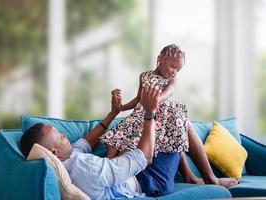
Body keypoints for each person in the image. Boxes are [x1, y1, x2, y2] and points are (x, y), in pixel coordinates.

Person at [21, 83, 163, 199]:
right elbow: (144, 158)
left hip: (132, 172)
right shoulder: (84, 168)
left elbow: (85, 142)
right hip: (146, 180)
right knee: (169, 128)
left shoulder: (67, 161)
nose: (64, 135)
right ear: (54, 152)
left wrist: (114, 113)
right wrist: (150, 112)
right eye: (60, 136)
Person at [100, 44, 189, 159]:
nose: (174, 72)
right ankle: (108, 163)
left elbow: (168, 93)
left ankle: (120, 165)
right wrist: (121, 107)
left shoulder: (172, 80)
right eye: (173, 66)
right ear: (161, 58)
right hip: (136, 116)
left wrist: (154, 100)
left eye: (178, 70)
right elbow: (138, 99)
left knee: (130, 146)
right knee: (118, 136)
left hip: (152, 118)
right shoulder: (144, 76)